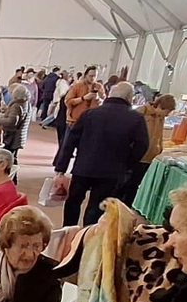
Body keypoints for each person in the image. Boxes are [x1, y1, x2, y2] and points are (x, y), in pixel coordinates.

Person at [61, 82, 148, 227]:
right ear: (130, 98)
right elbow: (142, 146)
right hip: (112, 171)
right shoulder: (136, 118)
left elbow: (70, 141)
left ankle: (68, 232)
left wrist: (61, 167)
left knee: (73, 202)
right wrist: (127, 165)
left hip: (84, 166)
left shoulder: (90, 114)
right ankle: (89, 238)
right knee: (97, 208)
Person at [52, 66, 104, 172]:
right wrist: (83, 98)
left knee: (85, 149)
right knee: (67, 147)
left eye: (95, 76)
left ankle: (77, 171)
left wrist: (98, 99)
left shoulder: (99, 87)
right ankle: (60, 170)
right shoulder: (77, 86)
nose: (92, 78)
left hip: (91, 123)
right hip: (74, 121)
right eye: (90, 76)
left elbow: (104, 103)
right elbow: (68, 101)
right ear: (85, 75)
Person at [125, 93, 175, 203]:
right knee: (126, 185)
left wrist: (160, 149)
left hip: (148, 158)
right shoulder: (141, 112)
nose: (166, 115)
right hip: (135, 156)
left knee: (135, 185)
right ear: (161, 106)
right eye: (166, 112)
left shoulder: (160, 118)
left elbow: (159, 135)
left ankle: (128, 207)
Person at [0, 82, 31, 154]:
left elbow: (11, 121)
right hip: (18, 135)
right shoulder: (25, 103)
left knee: (7, 154)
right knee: (13, 154)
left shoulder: (16, 105)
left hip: (12, 136)